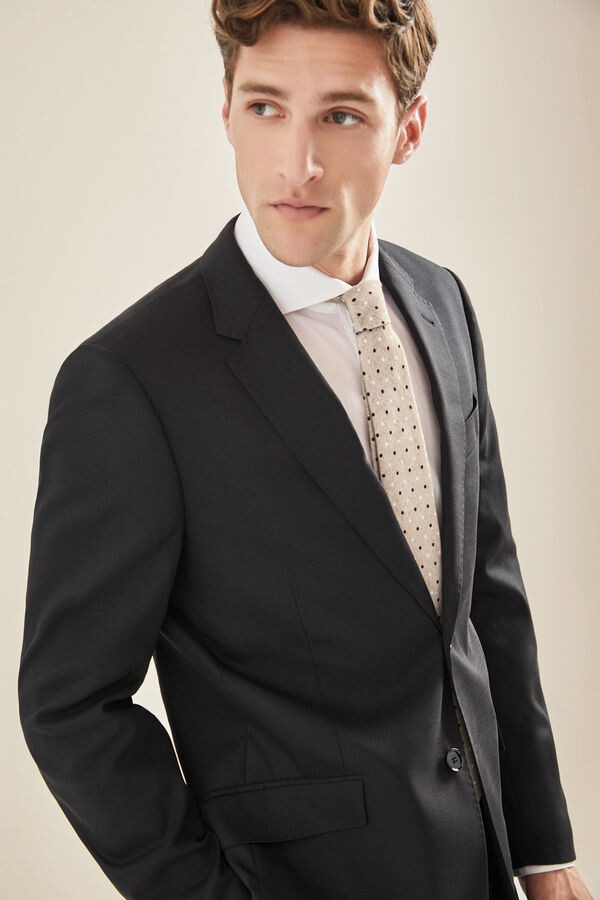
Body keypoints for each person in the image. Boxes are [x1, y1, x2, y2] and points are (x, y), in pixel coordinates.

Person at [18, 1, 592, 898]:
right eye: (266, 107)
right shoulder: (131, 380)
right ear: (225, 110)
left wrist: (543, 853)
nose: (298, 163)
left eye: (342, 115)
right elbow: (69, 706)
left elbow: (489, 600)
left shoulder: (442, 304)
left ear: (409, 129)